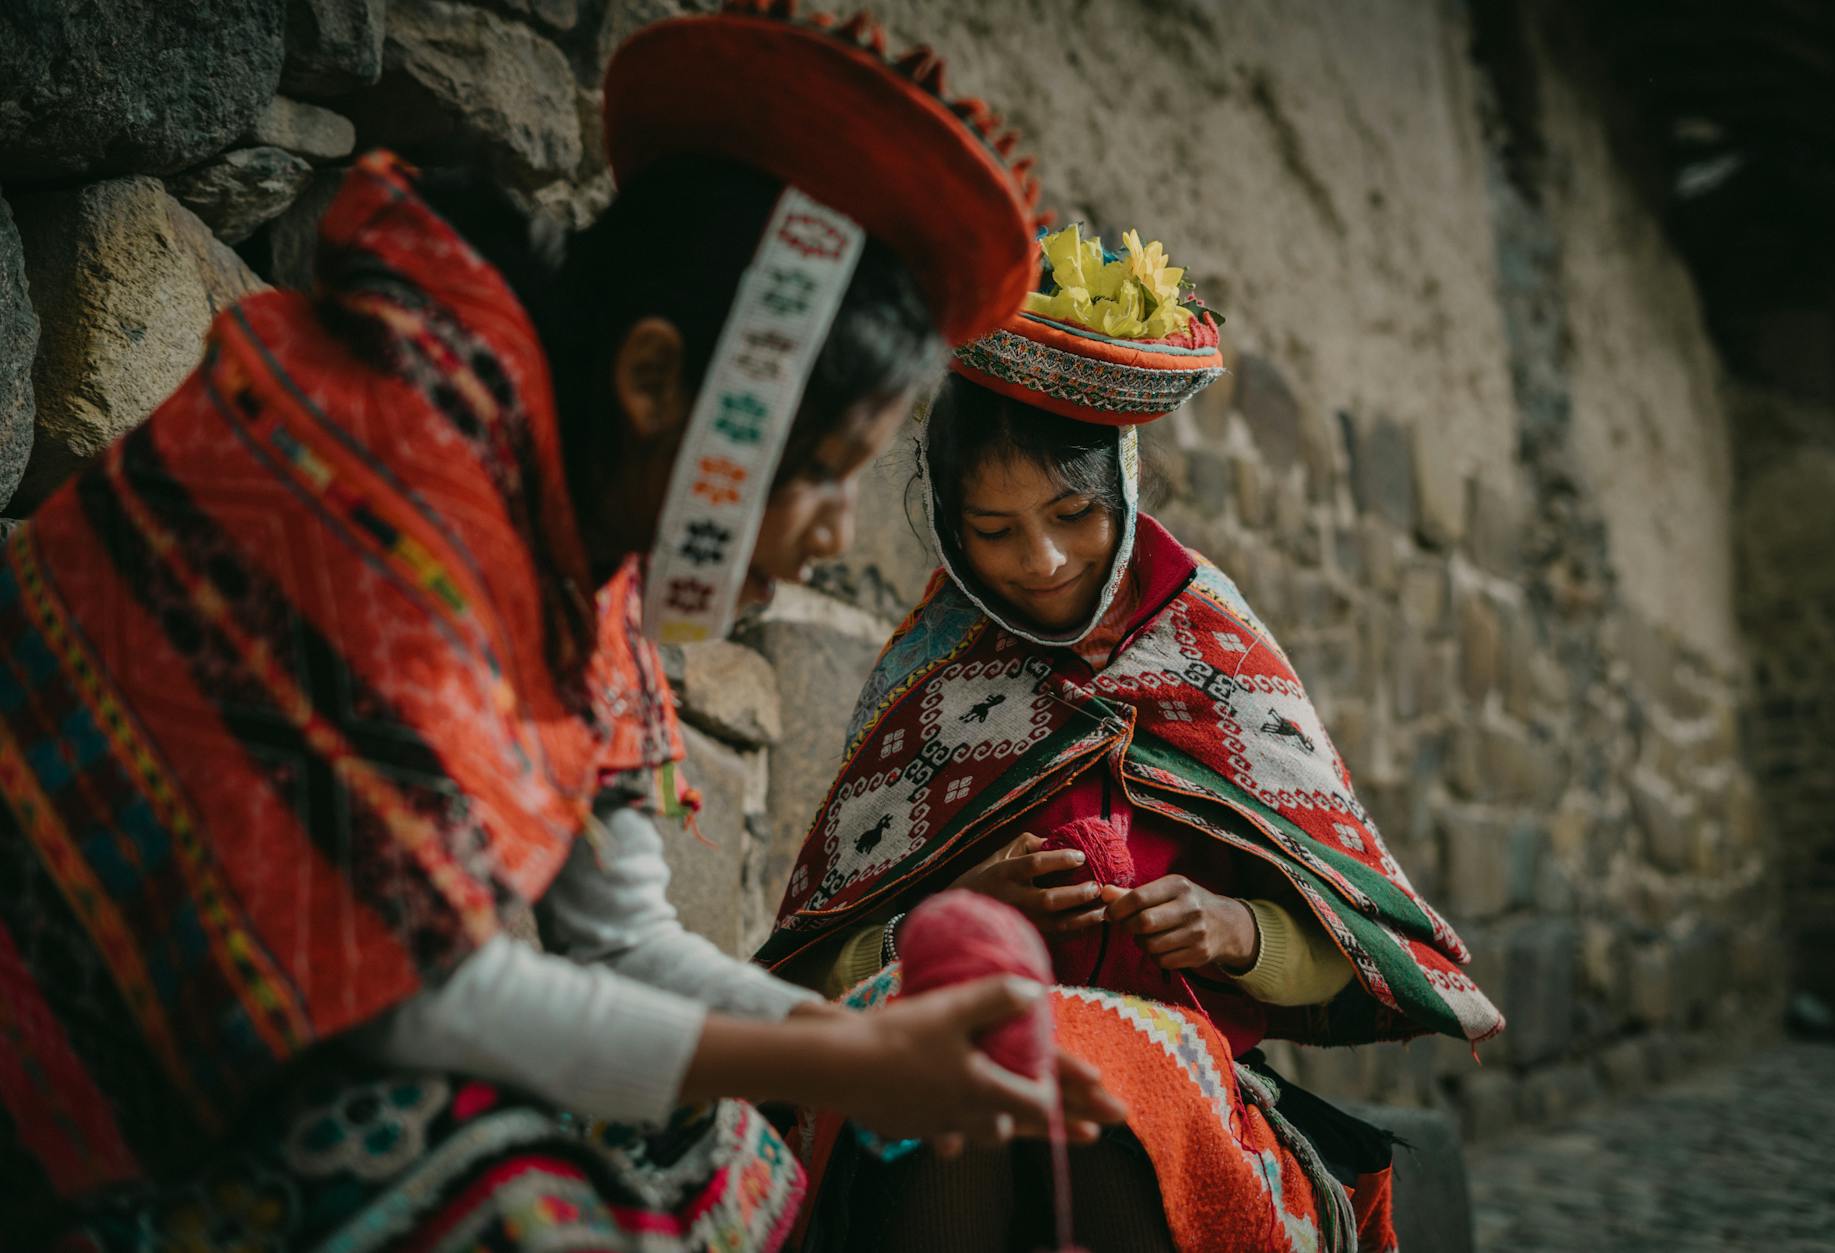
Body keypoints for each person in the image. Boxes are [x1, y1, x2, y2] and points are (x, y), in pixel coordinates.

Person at [0, 5, 1126, 1248]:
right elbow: (413, 997)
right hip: (68, 1068)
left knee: (723, 1151)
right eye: (818, 472)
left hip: (271, 1056)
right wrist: (853, 1063)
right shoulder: (385, 468)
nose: (826, 534)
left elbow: (618, 938)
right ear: (654, 382)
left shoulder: (585, 564)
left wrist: (857, 1046)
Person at [761, 224, 1505, 1252]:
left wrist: (1235, 928)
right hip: (933, 1041)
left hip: (1167, 1077)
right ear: (944, 525)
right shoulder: (926, 682)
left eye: (1072, 511)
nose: (1043, 559)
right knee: (957, 1063)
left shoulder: (1214, 650)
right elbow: (805, 974)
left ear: (1121, 487)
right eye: (993, 529)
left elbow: (1353, 953)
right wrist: (944, 912)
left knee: (1089, 1081)